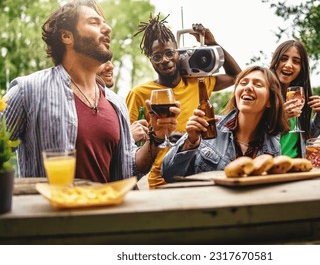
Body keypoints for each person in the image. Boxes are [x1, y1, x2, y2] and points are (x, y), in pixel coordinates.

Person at [3, 0, 180, 183]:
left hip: (107, 210)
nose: (108, 28)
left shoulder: (116, 103)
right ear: (67, 36)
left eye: (105, 23)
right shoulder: (28, 91)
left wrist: (156, 138)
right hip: (51, 210)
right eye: (94, 22)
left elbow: (129, 169)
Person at [126, 14, 242, 188]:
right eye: (157, 57)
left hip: (199, 174)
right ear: (150, 60)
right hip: (161, 182)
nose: (164, 60)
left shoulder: (199, 82)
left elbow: (237, 76)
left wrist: (213, 43)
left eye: (169, 53)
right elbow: (128, 144)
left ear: (178, 53)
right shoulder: (140, 93)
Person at [161, 65, 290, 182]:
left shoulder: (273, 147)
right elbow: (168, 174)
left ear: (270, 101)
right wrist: (191, 142)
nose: (248, 87)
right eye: (243, 82)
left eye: (258, 85)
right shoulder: (208, 126)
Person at [270, 40, 320, 158]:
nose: (288, 64)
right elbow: (252, 136)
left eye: (296, 61)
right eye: (283, 58)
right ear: (275, 61)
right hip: (273, 168)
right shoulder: (265, 96)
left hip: (296, 168)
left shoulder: (297, 96)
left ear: (302, 68)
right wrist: (280, 119)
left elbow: (303, 137)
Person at [96, 59, 148, 143]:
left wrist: (157, 138)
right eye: (102, 60)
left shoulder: (117, 102)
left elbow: (130, 154)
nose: (111, 66)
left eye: (110, 60)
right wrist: (129, 137)